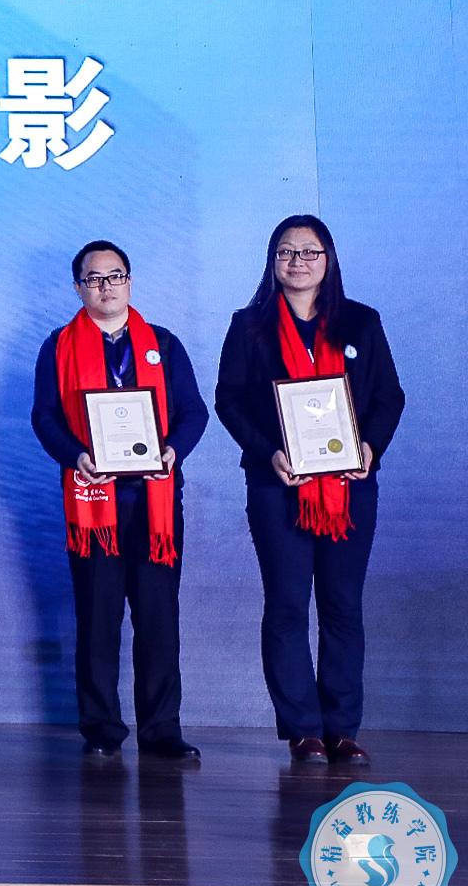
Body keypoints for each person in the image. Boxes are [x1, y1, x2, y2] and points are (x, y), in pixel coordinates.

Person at [213, 216, 405, 764]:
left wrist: (370, 448)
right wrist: (268, 452)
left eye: (309, 252)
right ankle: (303, 729)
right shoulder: (249, 325)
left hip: (350, 486)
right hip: (277, 483)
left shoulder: (361, 322)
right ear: (272, 260)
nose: (297, 262)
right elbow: (229, 399)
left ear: (329, 259)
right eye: (286, 252)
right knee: (288, 604)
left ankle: (342, 728)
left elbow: (390, 396)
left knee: (343, 605)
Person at [30, 239, 208, 760]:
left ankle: (162, 729)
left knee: (158, 619)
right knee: (97, 618)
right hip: (92, 501)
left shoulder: (164, 344)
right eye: (94, 278)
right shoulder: (57, 346)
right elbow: (44, 416)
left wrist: (172, 451)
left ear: (130, 282)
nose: (105, 286)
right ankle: (102, 729)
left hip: (154, 502)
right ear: (78, 287)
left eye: (115, 276)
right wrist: (76, 456)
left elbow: (194, 411)